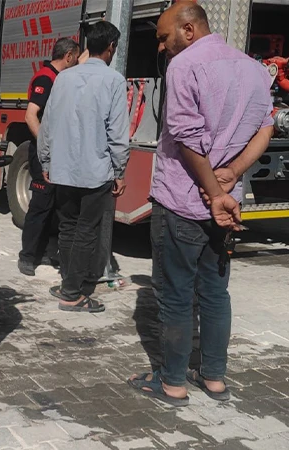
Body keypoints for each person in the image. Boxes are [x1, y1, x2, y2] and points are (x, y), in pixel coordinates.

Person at [128, 1, 274, 406]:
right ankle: (214, 378)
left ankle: (172, 383)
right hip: (225, 207)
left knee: (175, 296)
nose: (160, 46)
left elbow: (188, 138)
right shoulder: (254, 69)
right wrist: (231, 174)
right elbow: (266, 127)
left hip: (184, 202)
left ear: (189, 29)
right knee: (215, 294)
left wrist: (213, 191)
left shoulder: (185, 65)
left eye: (162, 36)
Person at [37, 21, 130, 313]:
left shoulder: (63, 78)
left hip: (63, 170)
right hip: (95, 171)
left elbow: (47, 124)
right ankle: (72, 293)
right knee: (86, 231)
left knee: (68, 227)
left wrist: (46, 160)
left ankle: (68, 283)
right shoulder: (114, 81)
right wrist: (119, 170)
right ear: (112, 47)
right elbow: (117, 133)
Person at [18, 38, 80, 277]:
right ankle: (27, 256)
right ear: (68, 57)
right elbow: (30, 116)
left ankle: (42, 250)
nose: (76, 63)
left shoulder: (59, 76)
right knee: (41, 204)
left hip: (56, 152)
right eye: (75, 58)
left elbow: (86, 58)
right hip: (44, 153)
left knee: (55, 204)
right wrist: (47, 147)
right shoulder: (46, 78)